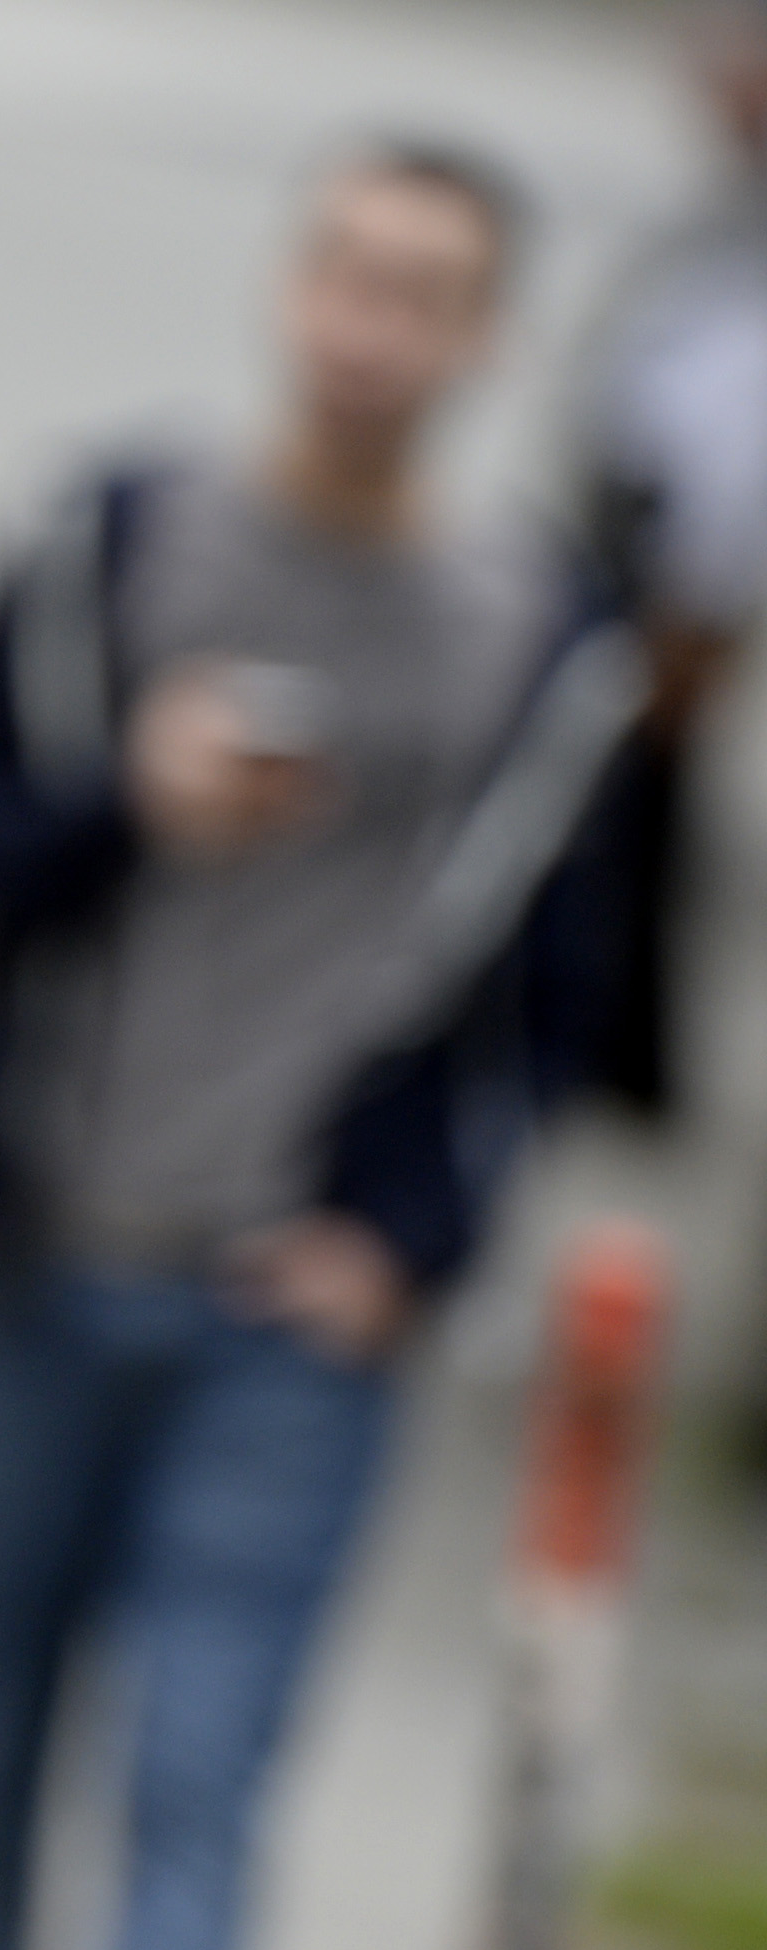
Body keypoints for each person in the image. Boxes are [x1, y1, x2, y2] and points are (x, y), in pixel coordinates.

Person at [0, 146, 637, 1950]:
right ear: (295, 285)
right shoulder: (104, 541)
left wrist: (408, 1239)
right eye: (353, 273)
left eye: (433, 294)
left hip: (276, 1331)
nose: (378, 328)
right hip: (27, 1269)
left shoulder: (542, 645)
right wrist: (131, 793)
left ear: (484, 336)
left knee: (198, 1792)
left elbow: (569, 990)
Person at [571, 0, 767, 1118]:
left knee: (648, 832)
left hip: (682, 583)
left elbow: (732, 438)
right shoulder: (724, 214)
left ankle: (633, 1065)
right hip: (639, 552)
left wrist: (697, 603)